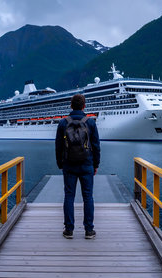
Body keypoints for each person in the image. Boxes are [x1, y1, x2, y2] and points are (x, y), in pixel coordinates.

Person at [56, 94, 100, 239]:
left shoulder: (63, 123)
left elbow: (58, 146)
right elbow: (96, 146)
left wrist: (60, 163)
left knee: (69, 196)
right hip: (87, 164)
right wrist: (96, 165)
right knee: (88, 197)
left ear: (71, 105)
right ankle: (89, 230)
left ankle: (69, 230)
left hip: (69, 165)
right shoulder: (91, 122)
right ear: (84, 106)